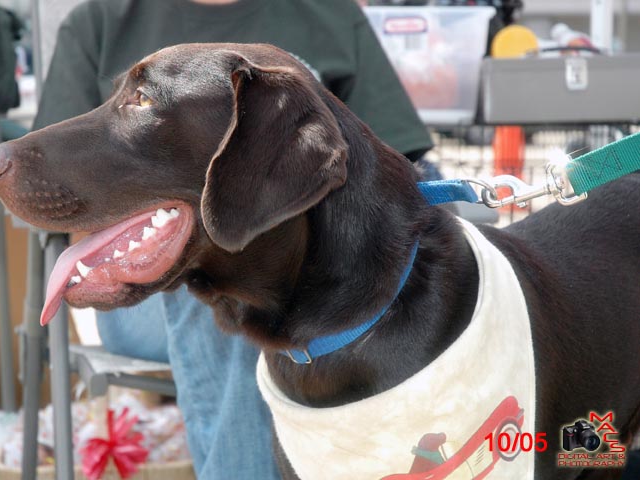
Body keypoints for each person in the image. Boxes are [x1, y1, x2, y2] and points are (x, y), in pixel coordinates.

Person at [34, 0, 433, 478]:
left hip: (328, 284)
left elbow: (397, 171)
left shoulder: (328, 12)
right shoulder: (102, 20)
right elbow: (54, 179)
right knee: (234, 272)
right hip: (160, 297)